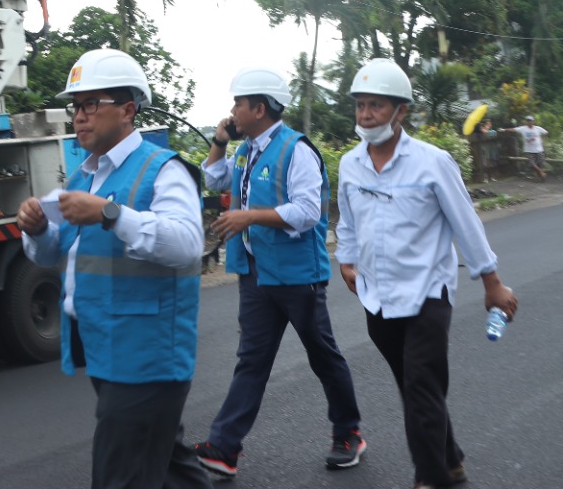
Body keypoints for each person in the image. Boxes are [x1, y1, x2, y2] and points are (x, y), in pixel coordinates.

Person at [16, 48, 211, 489]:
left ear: (127, 110)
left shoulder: (163, 170)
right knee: (166, 465)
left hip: (147, 356)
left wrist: (110, 214)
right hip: (106, 349)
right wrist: (37, 231)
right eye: (75, 106)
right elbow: (54, 257)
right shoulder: (84, 176)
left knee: (119, 476)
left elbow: (187, 244)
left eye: (90, 104)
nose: (79, 116)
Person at [336, 58, 518, 489]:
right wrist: (345, 260)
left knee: (420, 386)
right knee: (417, 386)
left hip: (426, 295)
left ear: (401, 111)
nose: (365, 115)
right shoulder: (350, 164)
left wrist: (492, 283)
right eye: (360, 106)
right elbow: (346, 219)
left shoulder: (431, 162)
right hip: (376, 296)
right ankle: (450, 459)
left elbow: (466, 224)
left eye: (376, 106)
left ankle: (431, 478)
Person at [192, 66, 364, 479]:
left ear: (260, 108)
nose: (232, 110)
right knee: (251, 360)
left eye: (238, 103)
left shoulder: (296, 150)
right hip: (255, 274)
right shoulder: (245, 150)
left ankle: (348, 433)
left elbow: (307, 213)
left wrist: (249, 217)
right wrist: (219, 140)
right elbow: (212, 176)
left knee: (322, 355)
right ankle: (224, 447)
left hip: (296, 276)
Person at [506, 115, 548, 180]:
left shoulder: (538, 128)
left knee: (540, 163)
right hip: (529, 150)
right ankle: (541, 173)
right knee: (532, 163)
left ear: (533, 122)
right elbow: (514, 129)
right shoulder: (523, 128)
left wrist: (543, 141)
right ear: (526, 122)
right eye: (528, 121)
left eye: (530, 121)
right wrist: (504, 129)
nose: (529, 122)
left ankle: (539, 176)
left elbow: (545, 132)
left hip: (539, 149)